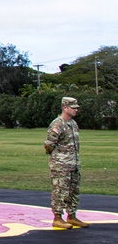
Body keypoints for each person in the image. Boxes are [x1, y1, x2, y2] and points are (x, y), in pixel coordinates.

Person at [44, 97, 87, 229]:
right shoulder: (57, 124)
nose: (76, 110)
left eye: (76, 108)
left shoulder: (73, 124)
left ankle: (72, 216)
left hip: (73, 163)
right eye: (73, 108)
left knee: (73, 191)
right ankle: (57, 217)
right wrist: (59, 158)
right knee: (60, 190)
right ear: (65, 107)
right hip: (61, 165)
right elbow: (49, 145)